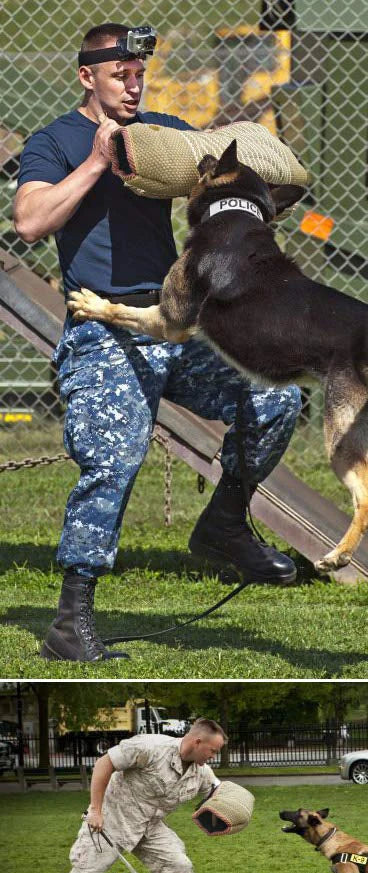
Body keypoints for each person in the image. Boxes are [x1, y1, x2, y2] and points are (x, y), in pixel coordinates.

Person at [13, 22, 302, 662]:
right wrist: (95, 160)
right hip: (102, 328)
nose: (134, 84)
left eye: (140, 73)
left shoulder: (161, 133)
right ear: (88, 76)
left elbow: (227, 163)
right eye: (121, 75)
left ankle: (225, 523)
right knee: (114, 458)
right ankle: (70, 620)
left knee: (275, 395)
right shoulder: (55, 141)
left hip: (170, 324)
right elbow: (30, 221)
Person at [12, 718, 228, 873]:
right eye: (213, 751)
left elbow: (220, 794)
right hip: (110, 823)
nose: (214, 757)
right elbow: (105, 763)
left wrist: (230, 815)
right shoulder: (150, 747)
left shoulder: (202, 773)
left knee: (180, 866)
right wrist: (95, 809)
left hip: (150, 828)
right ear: (198, 742)